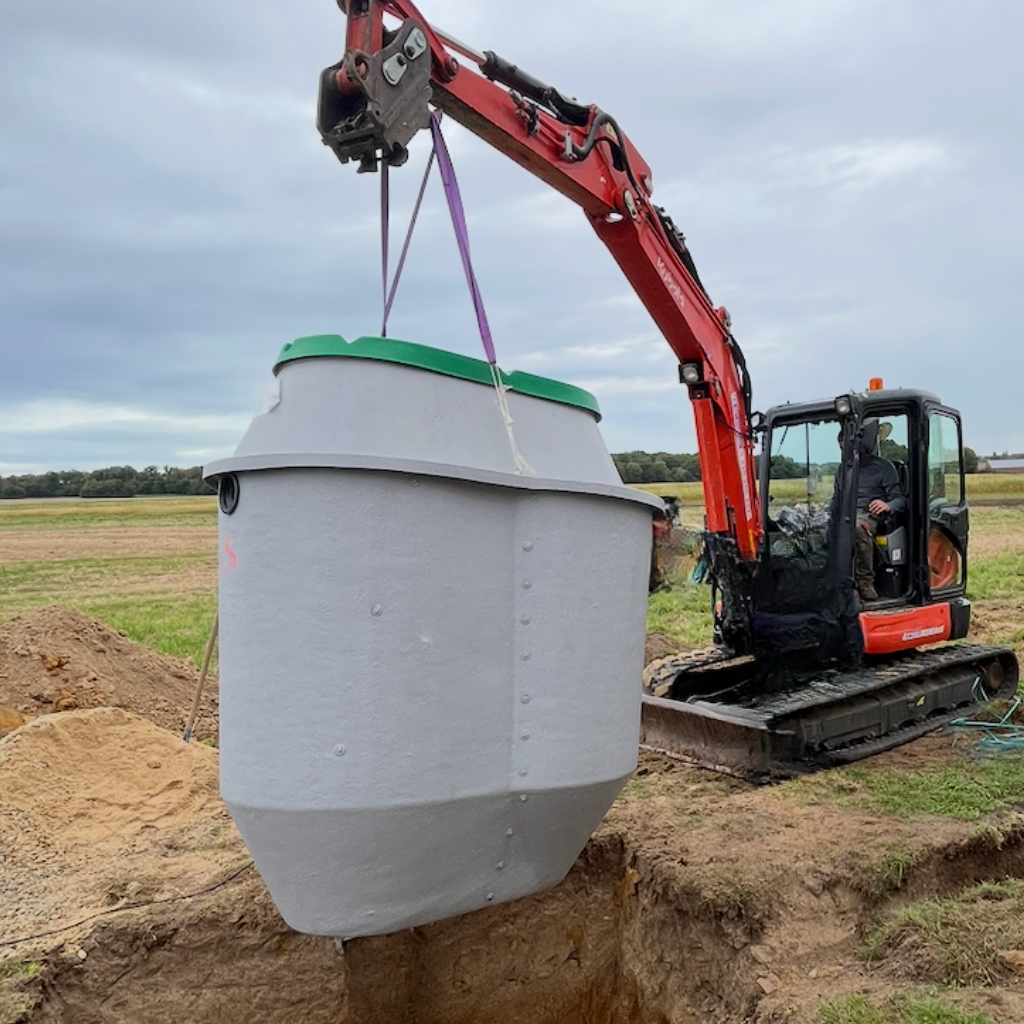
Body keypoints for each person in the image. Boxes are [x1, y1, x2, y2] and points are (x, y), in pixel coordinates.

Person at [851, 419, 905, 601]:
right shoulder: (844, 469)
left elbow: (900, 500)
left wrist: (887, 505)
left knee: (858, 527)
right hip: (846, 512)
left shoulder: (884, 468)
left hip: (870, 514)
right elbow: (836, 499)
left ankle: (865, 582)